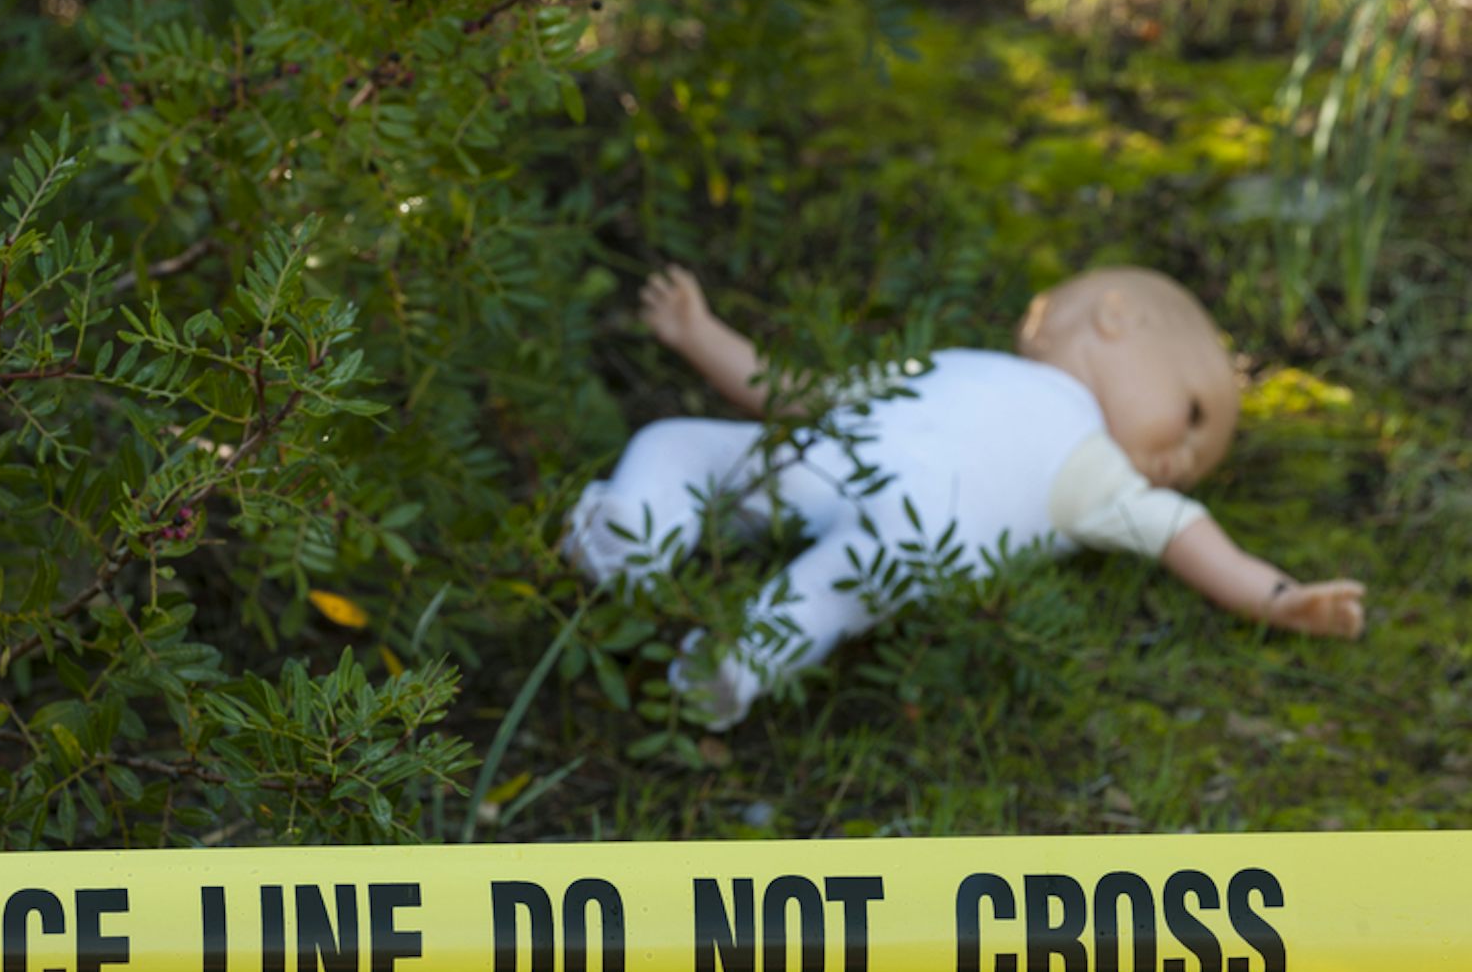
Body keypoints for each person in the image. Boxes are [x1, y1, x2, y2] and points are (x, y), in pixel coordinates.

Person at [563, 265, 1366, 729]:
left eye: (1202, 453)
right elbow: (803, 394)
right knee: (682, 444)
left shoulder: (1099, 473)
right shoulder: (949, 364)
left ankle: (740, 662)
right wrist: (702, 335)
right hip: (826, 452)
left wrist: (1281, 598)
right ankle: (631, 531)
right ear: (1118, 320)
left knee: (842, 581)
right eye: (1195, 415)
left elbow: (1193, 538)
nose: (1189, 461)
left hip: (915, 532)